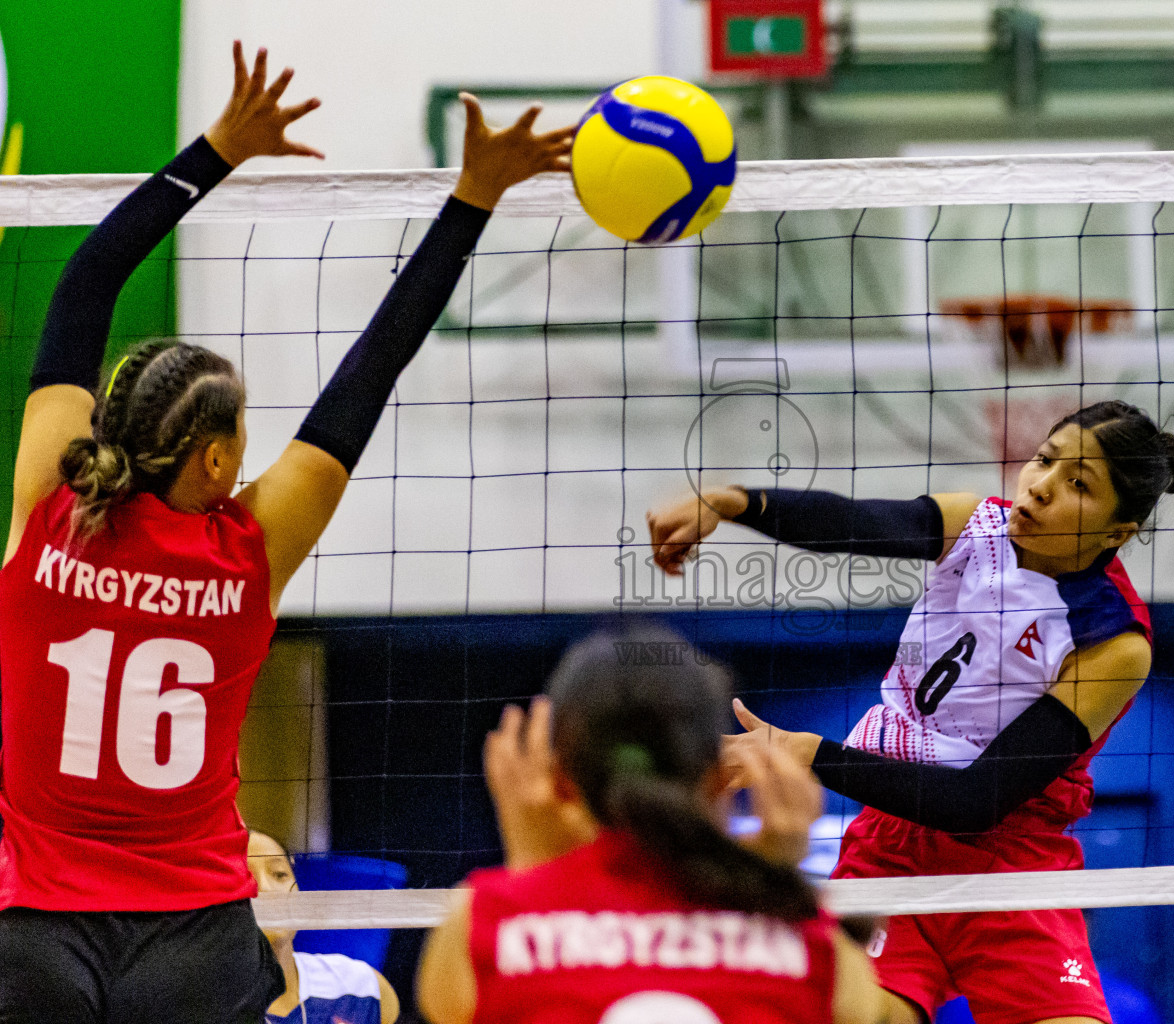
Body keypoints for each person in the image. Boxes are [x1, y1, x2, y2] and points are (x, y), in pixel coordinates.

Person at [0, 41, 573, 1024]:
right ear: (217, 462)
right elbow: (371, 371)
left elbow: (85, 280)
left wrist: (214, 149)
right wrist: (474, 194)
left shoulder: (50, 512)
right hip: (191, 937)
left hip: (35, 927)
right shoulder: (247, 552)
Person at [645, 401, 1174, 1024]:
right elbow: (855, 523)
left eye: (1078, 483)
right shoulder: (975, 525)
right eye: (1046, 460)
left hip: (1012, 865)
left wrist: (812, 754)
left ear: (1116, 532)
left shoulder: (1114, 641)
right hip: (891, 845)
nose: (1042, 485)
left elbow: (978, 799)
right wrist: (733, 502)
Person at [415, 626, 904, 1024]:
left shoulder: (482, 926)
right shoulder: (814, 942)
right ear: (719, 778)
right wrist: (778, 872)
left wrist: (530, 871)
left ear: (560, 779)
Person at [247, 830, 401, 1024]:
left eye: (280, 874)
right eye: (245, 878)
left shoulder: (363, 989)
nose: (266, 888)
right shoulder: (206, 1002)